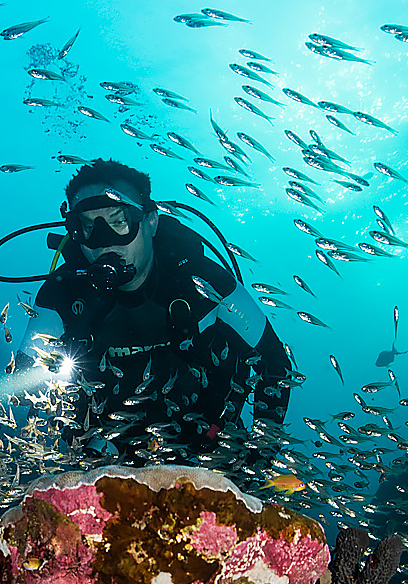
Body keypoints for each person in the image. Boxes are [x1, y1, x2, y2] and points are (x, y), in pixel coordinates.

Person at [28, 160, 295, 460]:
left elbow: (274, 364)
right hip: (104, 458)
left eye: (119, 222)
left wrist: (258, 458)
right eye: (88, 227)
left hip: (208, 451)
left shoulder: (205, 283)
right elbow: (27, 382)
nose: (104, 243)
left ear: (151, 220)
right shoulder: (60, 294)